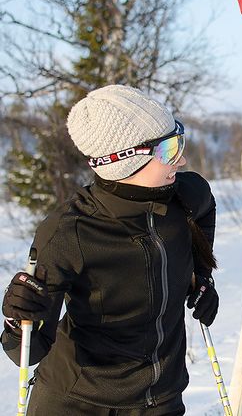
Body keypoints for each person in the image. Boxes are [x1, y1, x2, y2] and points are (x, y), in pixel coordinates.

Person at [2, 85, 220, 415]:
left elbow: (205, 211)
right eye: (168, 149)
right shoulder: (69, 230)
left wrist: (199, 276)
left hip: (161, 400)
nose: (182, 158)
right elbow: (27, 352)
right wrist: (19, 319)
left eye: (180, 140)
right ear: (124, 160)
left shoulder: (187, 195)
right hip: (78, 402)